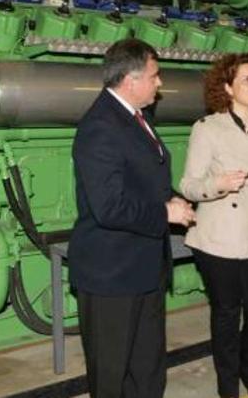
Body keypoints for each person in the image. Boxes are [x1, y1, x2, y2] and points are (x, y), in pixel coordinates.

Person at [68, 38, 195, 398]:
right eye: (155, 76)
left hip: (144, 268)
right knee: (112, 375)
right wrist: (164, 212)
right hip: (112, 277)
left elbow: (144, 178)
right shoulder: (100, 127)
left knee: (147, 369)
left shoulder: (137, 118)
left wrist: (171, 197)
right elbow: (109, 206)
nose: (160, 83)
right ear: (130, 79)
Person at [180, 53, 248, 398]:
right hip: (219, 236)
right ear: (227, 87)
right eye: (246, 79)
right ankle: (228, 386)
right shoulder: (207, 128)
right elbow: (188, 185)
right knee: (227, 315)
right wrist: (218, 185)